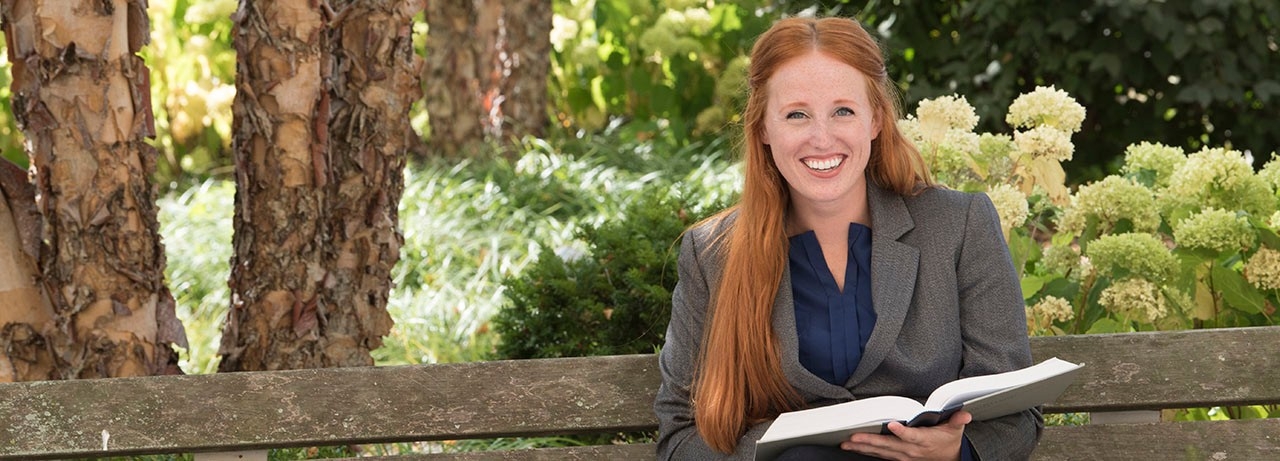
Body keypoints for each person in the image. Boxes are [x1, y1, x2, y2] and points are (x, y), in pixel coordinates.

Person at [654, 16, 1041, 461]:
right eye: (797, 115)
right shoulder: (712, 253)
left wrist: (957, 451)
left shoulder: (959, 225)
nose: (822, 139)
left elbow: (1017, 416)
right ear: (762, 128)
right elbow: (680, 436)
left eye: (843, 111)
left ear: (875, 119)